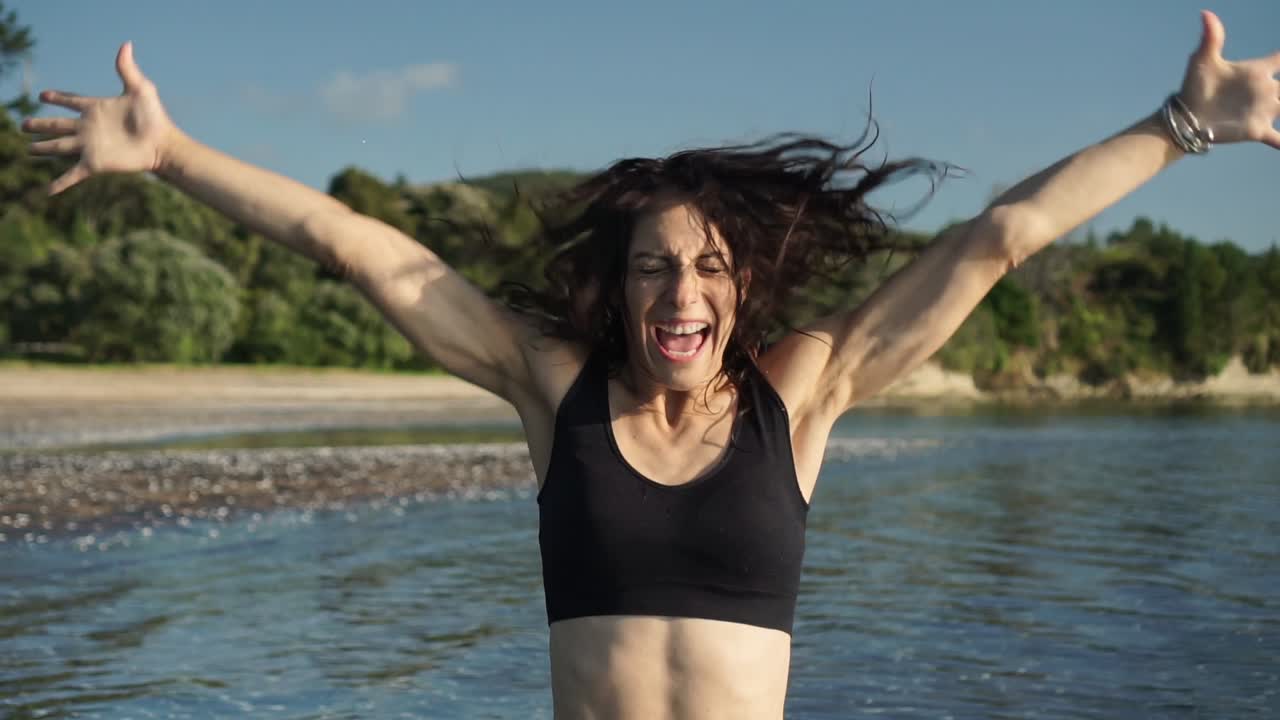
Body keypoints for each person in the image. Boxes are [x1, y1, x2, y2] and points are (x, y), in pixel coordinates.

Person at [24, 11, 1277, 719]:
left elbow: (996, 241)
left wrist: (1180, 128)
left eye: (710, 268)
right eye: (652, 269)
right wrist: (175, 155)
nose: (682, 293)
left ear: (743, 287)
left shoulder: (802, 392)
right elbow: (365, 255)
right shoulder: (552, 391)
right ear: (616, 289)